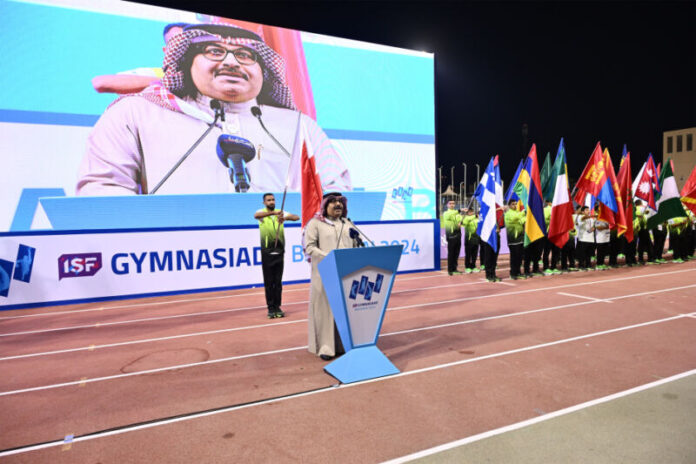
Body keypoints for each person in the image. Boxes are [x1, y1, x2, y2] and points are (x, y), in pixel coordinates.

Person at [77, 23, 351, 195]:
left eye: (245, 55)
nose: (232, 62)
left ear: (264, 70)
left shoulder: (300, 126)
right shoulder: (134, 114)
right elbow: (103, 194)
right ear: (186, 63)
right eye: (214, 51)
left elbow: (336, 193)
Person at [304, 192, 358, 360]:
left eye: (340, 202)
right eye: (333, 202)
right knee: (325, 313)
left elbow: (356, 245)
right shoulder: (315, 224)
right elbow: (310, 247)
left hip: (347, 273)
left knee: (345, 312)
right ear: (325, 206)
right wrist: (329, 257)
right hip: (325, 274)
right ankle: (326, 348)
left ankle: (343, 345)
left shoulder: (348, 224)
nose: (337, 205)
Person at [92, 23, 187, 94]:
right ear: (166, 51)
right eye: (176, 44)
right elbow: (101, 83)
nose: (182, 49)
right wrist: (170, 82)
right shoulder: (154, 74)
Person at [254, 193, 299, 318]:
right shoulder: (262, 213)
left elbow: (297, 217)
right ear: (264, 202)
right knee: (269, 282)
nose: (271, 202)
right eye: (268, 200)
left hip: (279, 252)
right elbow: (256, 215)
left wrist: (285, 218)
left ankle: (278, 307)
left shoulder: (281, 212)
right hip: (267, 252)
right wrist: (272, 214)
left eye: (273, 200)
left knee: (278, 282)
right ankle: (270, 308)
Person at [504, 199, 525, 279]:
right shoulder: (508, 213)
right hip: (512, 240)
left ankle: (518, 272)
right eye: (513, 204)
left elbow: (522, 220)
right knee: (514, 257)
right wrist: (524, 211)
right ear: (509, 205)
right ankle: (513, 273)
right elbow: (515, 218)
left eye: (516, 204)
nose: (515, 205)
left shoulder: (517, 212)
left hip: (520, 238)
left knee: (519, 257)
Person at [443, 201, 463, 275]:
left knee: (456, 253)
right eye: (450, 204)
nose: (452, 205)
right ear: (447, 205)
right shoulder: (446, 213)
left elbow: (460, 219)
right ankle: (450, 270)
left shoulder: (457, 214)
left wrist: (461, 222)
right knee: (451, 253)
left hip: (458, 235)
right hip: (451, 236)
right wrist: (459, 211)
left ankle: (455, 269)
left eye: (453, 204)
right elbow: (449, 216)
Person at [576, 206, 595, 270]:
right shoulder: (580, 217)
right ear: (582, 211)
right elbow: (584, 218)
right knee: (582, 254)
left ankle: (588, 265)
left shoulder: (591, 219)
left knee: (588, 253)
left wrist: (593, 229)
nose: (588, 211)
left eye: (588, 210)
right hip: (583, 238)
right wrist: (594, 215)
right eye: (586, 210)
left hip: (590, 238)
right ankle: (581, 265)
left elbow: (592, 227)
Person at [462, 208, 481, 273]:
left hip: (476, 239)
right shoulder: (466, 218)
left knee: (474, 254)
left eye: (472, 211)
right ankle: (467, 267)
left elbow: (481, 223)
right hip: (469, 239)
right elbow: (464, 223)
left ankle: (473, 266)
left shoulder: (476, 218)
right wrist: (475, 216)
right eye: (469, 212)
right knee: (468, 254)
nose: (471, 213)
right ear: (467, 213)